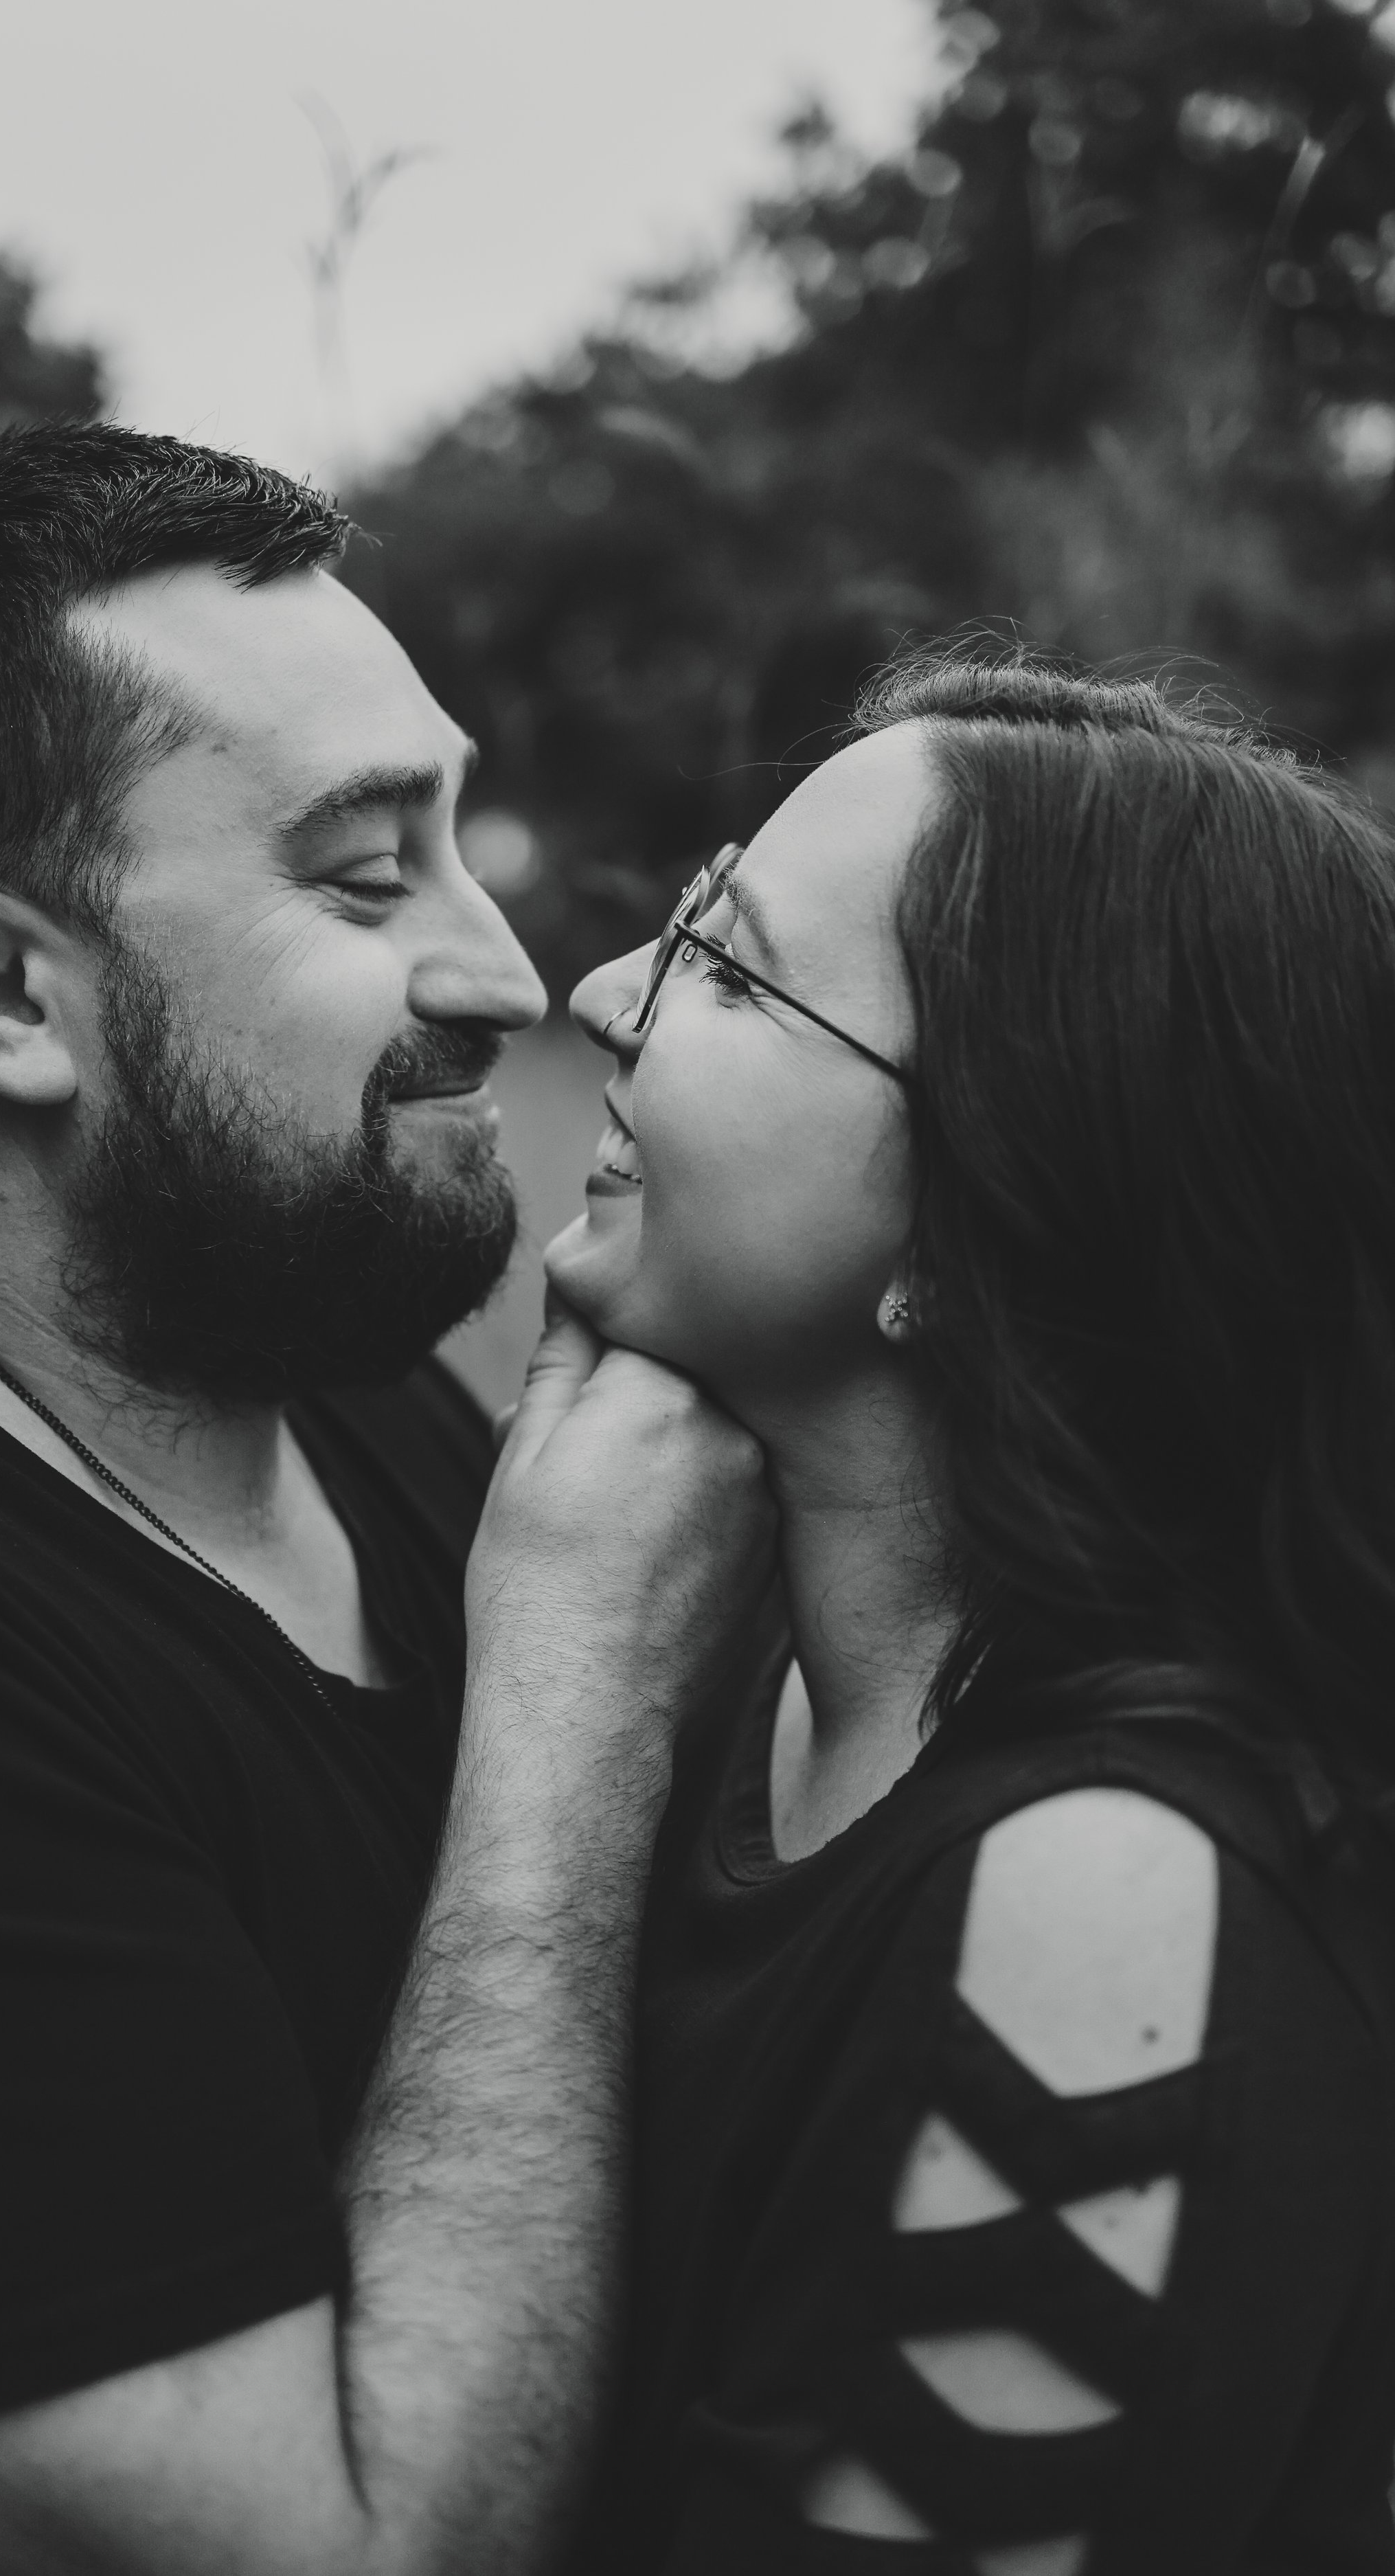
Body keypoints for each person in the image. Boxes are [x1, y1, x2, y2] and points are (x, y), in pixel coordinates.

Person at [0, 422, 774, 2576]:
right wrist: (567, 1688)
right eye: (365, 876)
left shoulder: (328, 1381)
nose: (504, 972)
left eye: (459, 844)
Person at [548, 648, 1395, 2573]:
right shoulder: (720, 1651)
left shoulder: (1102, 1894)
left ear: (979, 1204)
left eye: (732, 973)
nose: (602, 998)